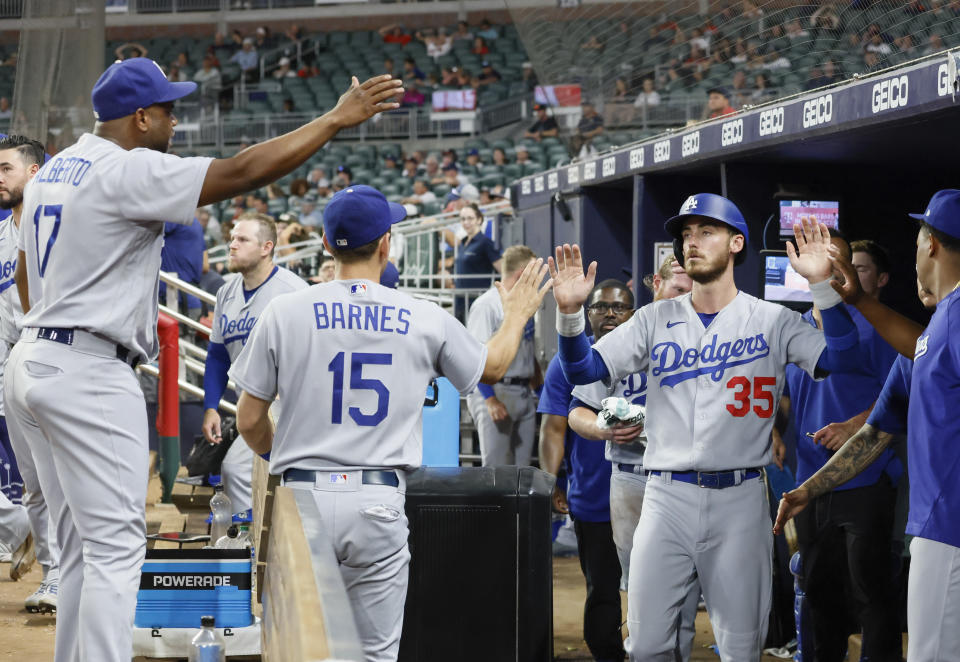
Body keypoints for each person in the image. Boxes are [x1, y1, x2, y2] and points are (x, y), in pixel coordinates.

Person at [5, 57, 402, 662]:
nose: (174, 120)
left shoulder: (54, 168)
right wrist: (333, 120)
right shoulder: (126, 167)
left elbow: (30, 282)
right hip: (87, 367)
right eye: (167, 110)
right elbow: (240, 171)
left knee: (82, 547)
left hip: (33, 357)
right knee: (115, 550)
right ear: (139, 118)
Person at [230, 184, 551, 662]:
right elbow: (496, 366)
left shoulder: (284, 310)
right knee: (375, 654)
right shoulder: (423, 314)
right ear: (386, 244)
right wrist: (518, 315)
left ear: (324, 243)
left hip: (303, 497)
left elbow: (250, 420)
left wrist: (283, 456)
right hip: (377, 500)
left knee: (298, 648)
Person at [549, 193, 861, 660]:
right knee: (648, 645)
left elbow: (842, 356)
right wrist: (571, 316)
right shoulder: (654, 318)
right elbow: (582, 372)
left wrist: (821, 286)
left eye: (706, 231)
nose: (691, 242)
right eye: (686, 234)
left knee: (740, 647)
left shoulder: (772, 319)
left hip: (740, 498)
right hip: (664, 494)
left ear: (737, 243)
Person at [775, 189, 960, 662]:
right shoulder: (932, 332)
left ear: (931, 245)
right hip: (935, 527)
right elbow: (876, 432)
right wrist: (808, 490)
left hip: (948, 526)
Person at [775, 234, 902, 662]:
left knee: (870, 594)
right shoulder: (795, 329)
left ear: (845, 272)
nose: (822, 270)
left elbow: (902, 394)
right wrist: (775, 429)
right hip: (809, 482)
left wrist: (854, 425)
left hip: (866, 478)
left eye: (832, 263)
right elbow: (789, 394)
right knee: (818, 592)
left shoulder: (875, 325)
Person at [202, 213, 307, 515]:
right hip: (251, 405)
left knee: (238, 470)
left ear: (266, 247)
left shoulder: (294, 291)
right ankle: (254, 545)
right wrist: (211, 405)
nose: (232, 245)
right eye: (232, 238)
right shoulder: (226, 292)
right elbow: (218, 355)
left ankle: (251, 546)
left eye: (242, 239)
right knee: (248, 474)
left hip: (289, 405)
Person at [0, 135, 59, 613]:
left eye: (6, 169)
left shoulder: (58, 231)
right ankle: (54, 575)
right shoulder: (0, 235)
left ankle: (71, 572)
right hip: (11, 371)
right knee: (34, 482)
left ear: (35, 173)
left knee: (61, 478)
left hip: (56, 365)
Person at [466, 245, 541, 467]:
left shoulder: (524, 305)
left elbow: (528, 352)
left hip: (523, 392)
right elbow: (474, 356)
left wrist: (542, 392)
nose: (537, 280)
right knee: (496, 474)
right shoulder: (486, 305)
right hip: (494, 391)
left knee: (522, 474)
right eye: (534, 274)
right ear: (521, 274)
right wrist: (489, 399)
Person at [453, 202, 501, 322]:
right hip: (460, 298)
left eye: (470, 218)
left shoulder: (486, 242)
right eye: (463, 219)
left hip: (476, 299)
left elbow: (502, 270)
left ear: (479, 220)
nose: (466, 222)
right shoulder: (462, 243)